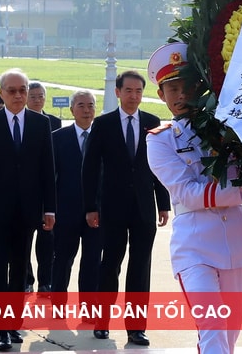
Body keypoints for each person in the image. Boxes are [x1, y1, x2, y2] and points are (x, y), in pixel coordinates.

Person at [145, 43, 242, 354]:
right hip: (194, 246)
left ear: (201, 87)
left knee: (230, 333)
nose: (181, 95)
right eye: (173, 89)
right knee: (212, 326)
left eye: (187, 86)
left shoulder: (228, 130)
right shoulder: (160, 140)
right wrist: (233, 192)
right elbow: (185, 192)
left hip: (235, 241)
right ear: (161, 95)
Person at [81, 70, 171, 345]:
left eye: (138, 91)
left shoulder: (152, 122)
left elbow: (159, 166)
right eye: (128, 90)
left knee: (140, 266)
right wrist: (90, 206)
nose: (134, 96)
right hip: (112, 206)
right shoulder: (103, 124)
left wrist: (163, 203)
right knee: (110, 264)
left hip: (144, 206)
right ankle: (102, 322)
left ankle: (136, 328)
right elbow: (90, 167)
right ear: (118, 92)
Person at [0, 68, 57, 352]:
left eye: (23, 90)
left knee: (20, 268)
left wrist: (49, 208)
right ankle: (0, 330)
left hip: (28, 210)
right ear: (1, 93)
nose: (18, 95)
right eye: (12, 91)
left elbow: (47, 169)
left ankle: (14, 323)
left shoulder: (40, 123)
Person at [48, 90, 102, 294]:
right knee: (62, 259)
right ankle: (58, 302)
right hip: (66, 211)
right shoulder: (57, 138)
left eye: (90, 106)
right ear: (72, 110)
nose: (86, 110)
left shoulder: (104, 137)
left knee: (92, 260)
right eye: (81, 106)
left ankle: (88, 305)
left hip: (97, 211)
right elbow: (50, 176)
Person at [28, 80, 63, 292]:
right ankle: (27, 279)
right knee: (23, 239)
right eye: (33, 96)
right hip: (26, 188)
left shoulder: (54, 122)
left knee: (47, 240)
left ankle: (45, 281)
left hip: (48, 189)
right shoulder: (21, 122)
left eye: (40, 96)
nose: (37, 100)